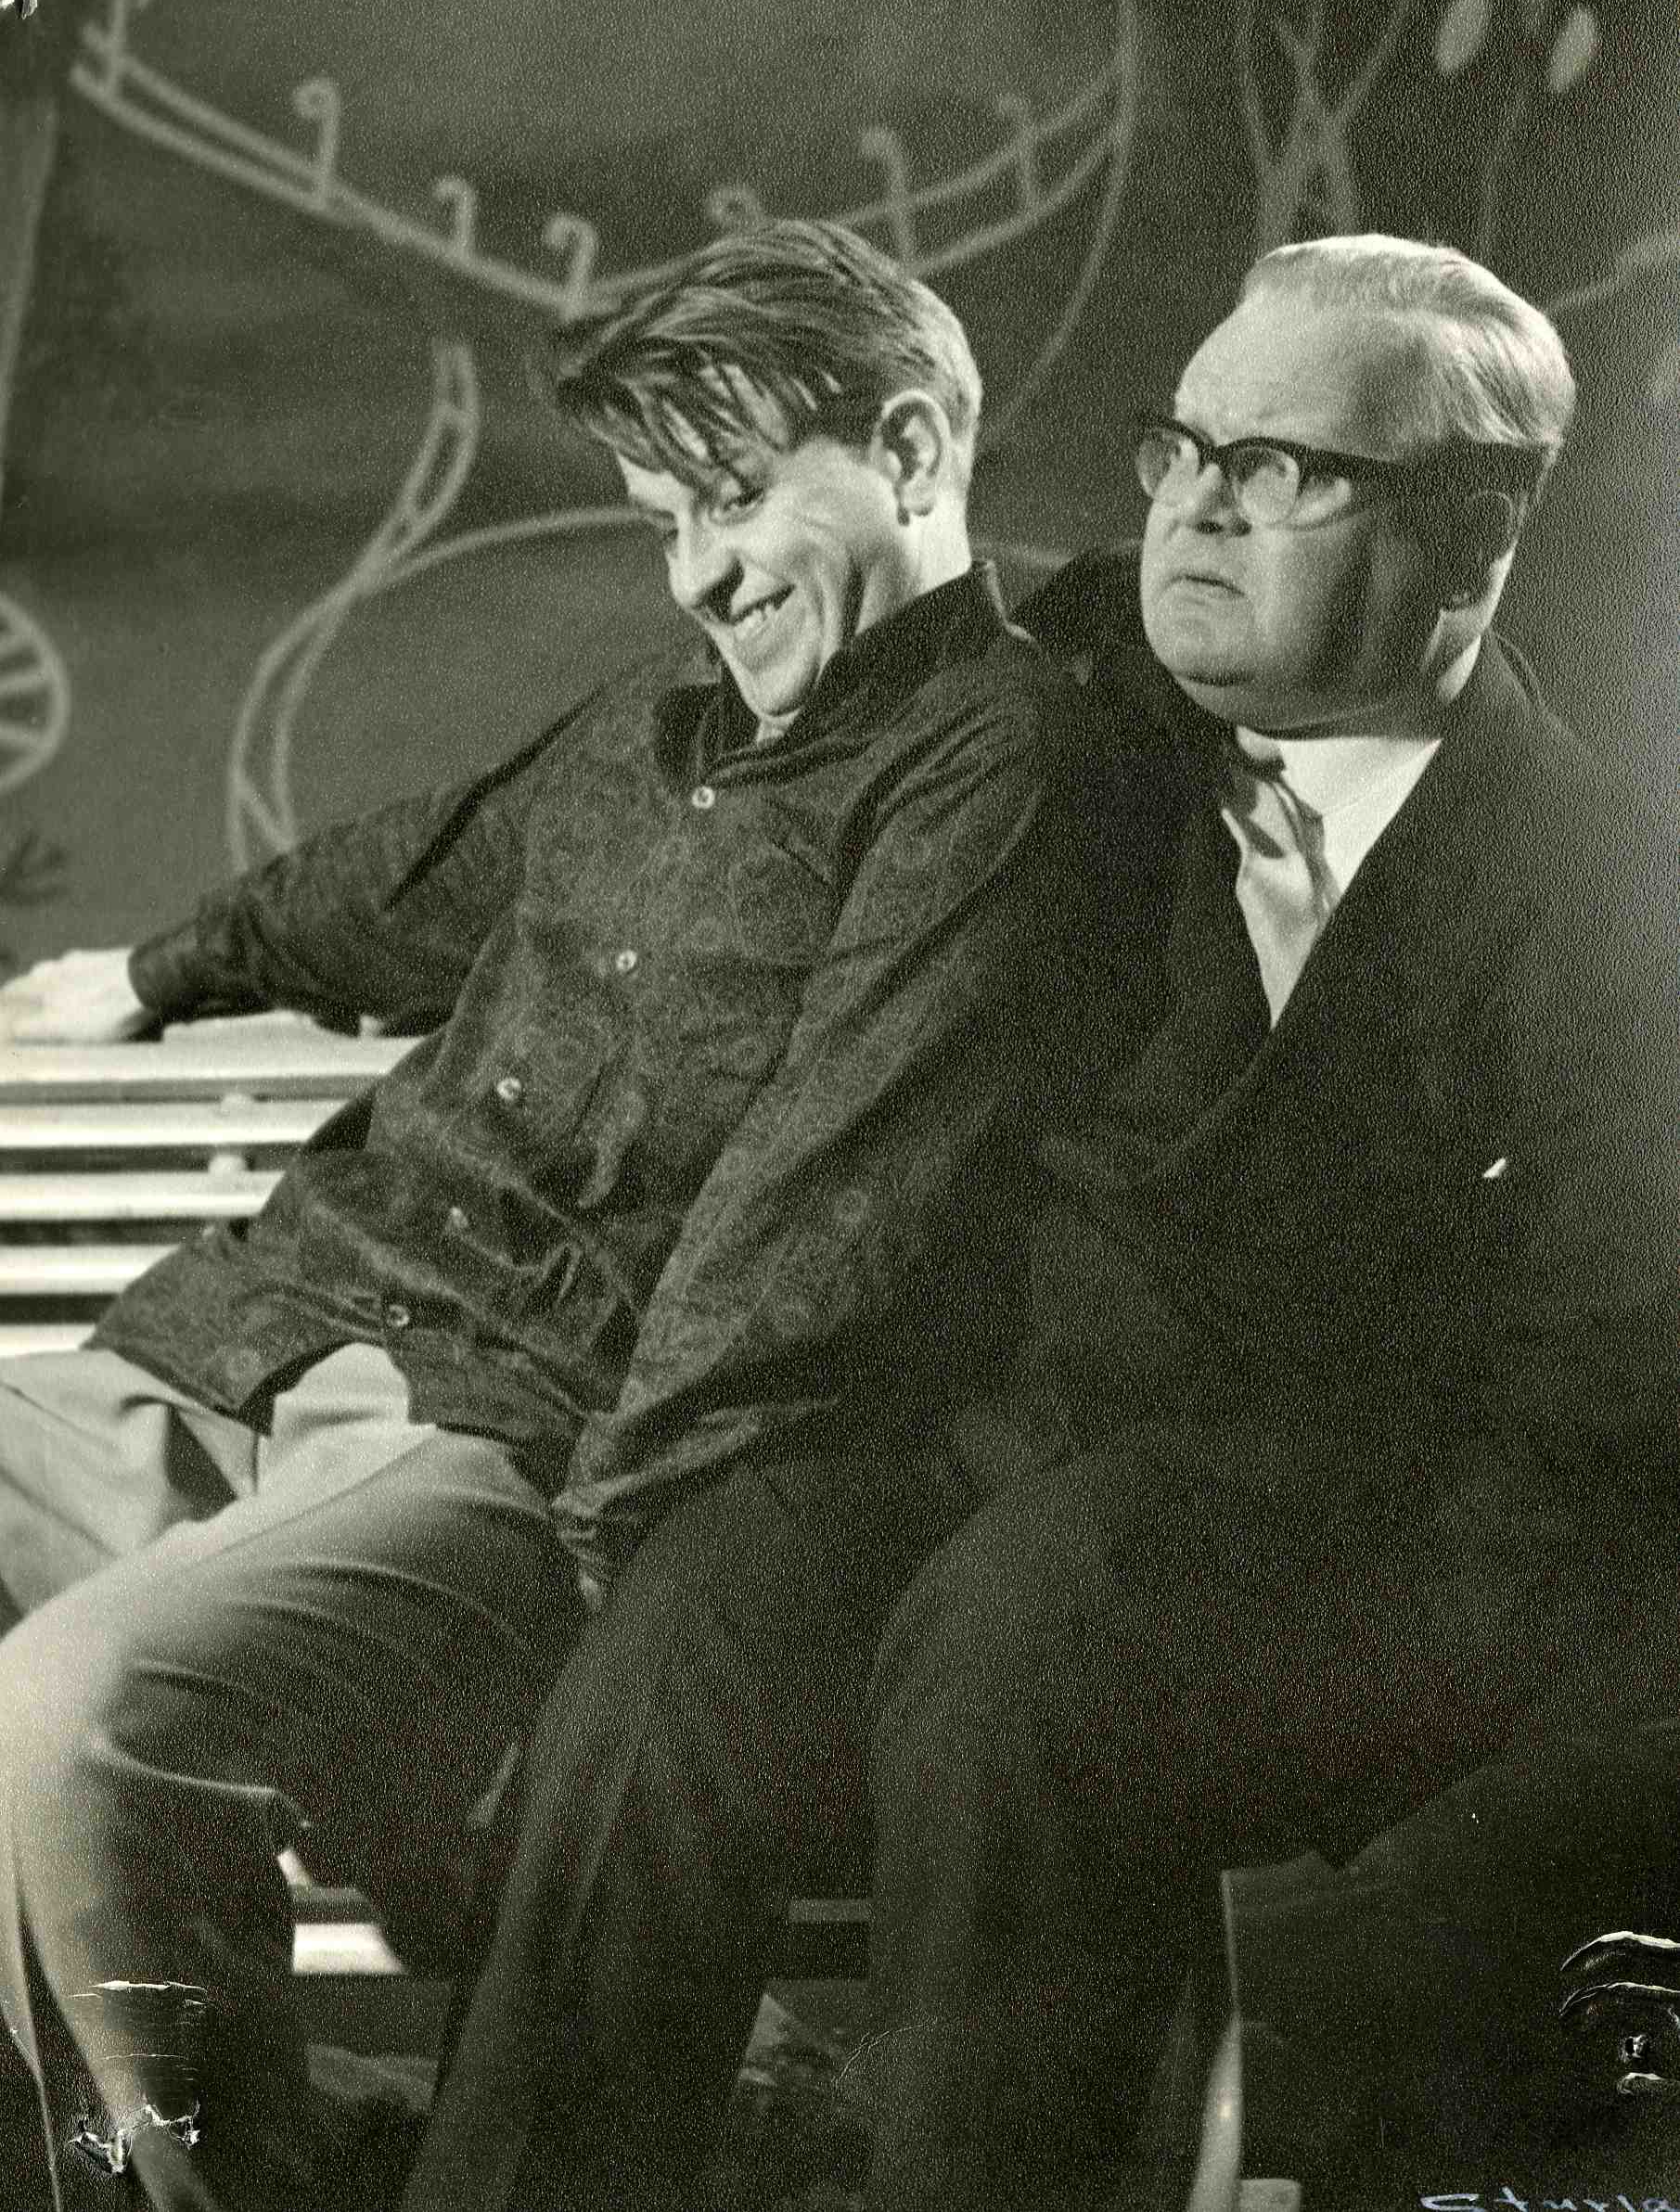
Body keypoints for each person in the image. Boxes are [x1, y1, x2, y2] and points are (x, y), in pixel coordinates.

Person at [401, 234, 1680, 2212]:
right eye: (1182, 447)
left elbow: (1582, 1422)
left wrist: (1418, 1718)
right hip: (968, 1449)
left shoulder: (1605, 897)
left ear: (1478, 530)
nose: (1191, 509)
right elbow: (629, 814)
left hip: (1311, 1554)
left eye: (1279, 469)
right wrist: (172, 962)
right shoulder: (1050, 675)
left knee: (1034, 1627)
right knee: (711, 1588)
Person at [0, 217, 1105, 2212]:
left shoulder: (992, 765)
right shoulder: (648, 728)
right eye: (665, 518)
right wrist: (156, 971)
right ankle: (310, 2147)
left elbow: (815, 1218)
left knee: (73, 1720)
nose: (699, 572)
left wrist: (608, 1560)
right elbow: (396, 883)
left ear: (915, 448)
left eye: (736, 498)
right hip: (257, 1329)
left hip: (491, 1423)